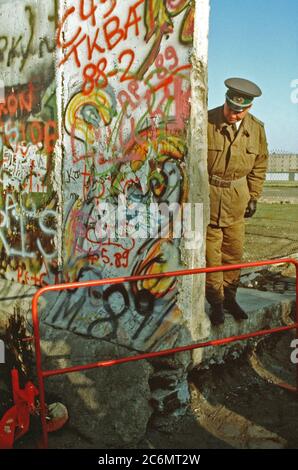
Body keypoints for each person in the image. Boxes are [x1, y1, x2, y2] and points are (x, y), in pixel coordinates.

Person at [206, 77, 269, 326]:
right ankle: (217, 303)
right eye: (230, 108)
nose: (232, 114)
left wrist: (254, 196)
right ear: (226, 101)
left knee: (233, 254)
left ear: (249, 108)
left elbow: (260, 165)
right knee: (211, 258)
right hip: (208, 198)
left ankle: (231, 298)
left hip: (237, 200)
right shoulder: (207, 121)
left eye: (238, 111)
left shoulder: (256, 129)